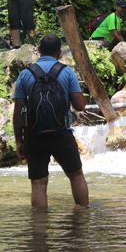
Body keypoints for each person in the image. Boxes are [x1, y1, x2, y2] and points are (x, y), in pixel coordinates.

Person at [12, 34, 89, 209]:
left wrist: (19, 140)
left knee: (38, 184)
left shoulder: (25, 75)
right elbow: (80, 106)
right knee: (76, 175)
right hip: (61, 133)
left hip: (34, 135)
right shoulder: (67, 72)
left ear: (38, 51)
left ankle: (39, 230)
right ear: (59, 52)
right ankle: (83, 220)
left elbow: (18, 112)